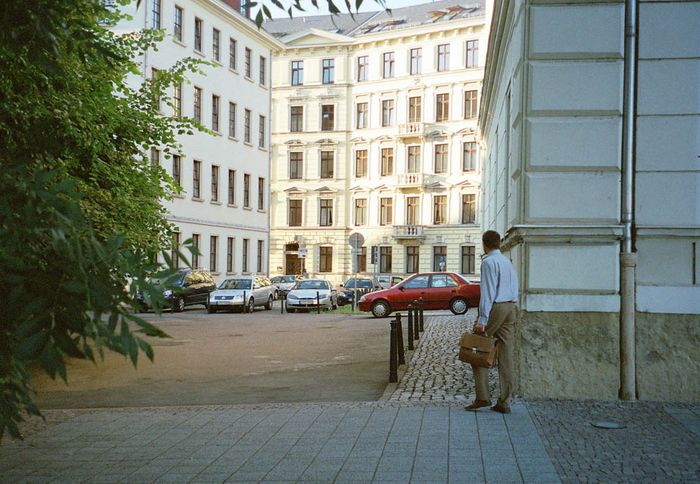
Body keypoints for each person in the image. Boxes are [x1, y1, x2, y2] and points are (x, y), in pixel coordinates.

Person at [465, 230, 518, 414]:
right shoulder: (507, 261)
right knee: (506, 355)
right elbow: (514, 286)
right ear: (499, 243)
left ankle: (482, 397)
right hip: (511, 307)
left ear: (484, 244)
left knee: (478, 347)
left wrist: (482, 319)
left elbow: (487, 292)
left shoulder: (488, 262)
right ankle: (504, 401)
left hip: (496, 307)